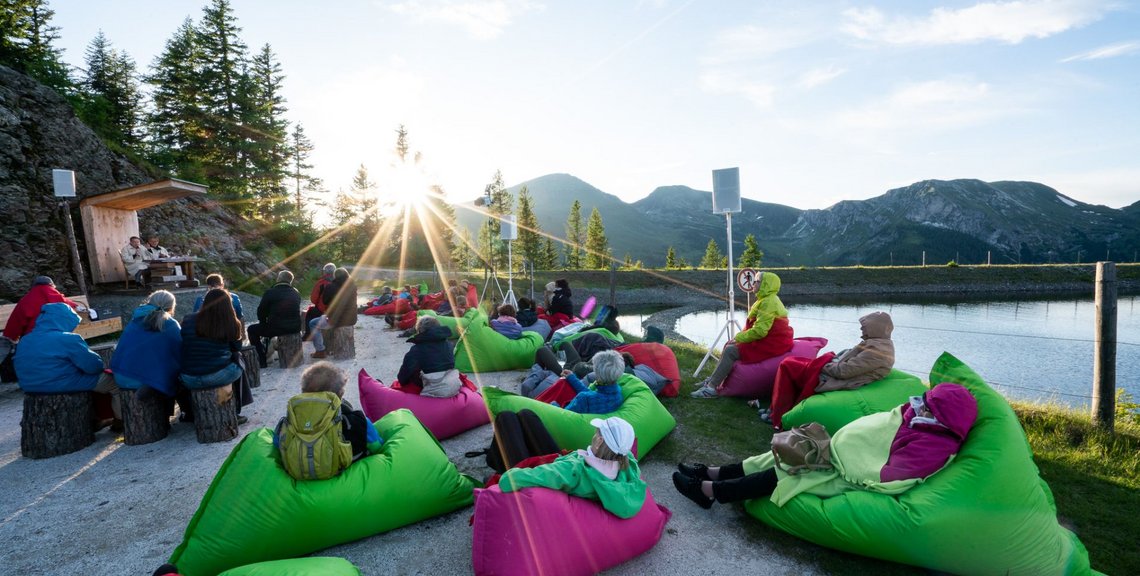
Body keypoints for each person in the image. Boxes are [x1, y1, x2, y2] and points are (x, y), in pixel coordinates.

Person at [672, 383, 977, 509]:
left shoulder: (934, 446)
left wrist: (845, 454)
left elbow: (892, 474)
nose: (920, 408)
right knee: (778, 452)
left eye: (928, 408)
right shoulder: (916, 416)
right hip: (837, 455)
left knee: (788, 473)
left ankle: (709, 493)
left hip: (848, 476)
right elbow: (888, 421)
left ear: (943, 420)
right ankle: (713, 472)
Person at [765, 311, 895, 428]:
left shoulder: (877, 350)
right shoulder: (876, 343)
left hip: (834, 378)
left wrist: (824, 364)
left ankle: (778, 415)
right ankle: (775, 409)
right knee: (792, 363)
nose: (861, 329)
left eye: (865, 327)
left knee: (788, 366)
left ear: (876, 328)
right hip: (832, 371)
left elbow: (843, 371)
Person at [499, 416, 647, 519]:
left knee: (506, 419)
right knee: (526, 416)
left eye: (596, 433)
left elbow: (506, 481)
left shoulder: (573, 469)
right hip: (567, 462)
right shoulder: (628, 465)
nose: (594, 435)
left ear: (599, 441)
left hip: (554, 469)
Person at [691, 271, 794, 398]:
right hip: (770, 339)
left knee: (730, 351)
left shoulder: (768, 302)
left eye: (756, 281)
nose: (753, 284)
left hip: (771, 343)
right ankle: (713, 380)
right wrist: (739, 338)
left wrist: (739, 337)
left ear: (765, 284)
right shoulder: (766, 300)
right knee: (730, 345)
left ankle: (711, 389)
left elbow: (760, 331)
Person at [274, 361, 382, 462]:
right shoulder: (357, 421)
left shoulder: (288, 422)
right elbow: (377, 446)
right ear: (340, 394)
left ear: (303, 392)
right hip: (348, 475)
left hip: (300, 472)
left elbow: (277, 446)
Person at [179, 289, 250, 424]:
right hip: (217, 376)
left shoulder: (188, 319)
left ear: (204, 302)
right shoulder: (231, 322)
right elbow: (236, 348)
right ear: (228, 305)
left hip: (188, 377)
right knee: (239, 359)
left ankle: (190, 413)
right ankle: (235, 411)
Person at [110, 290, 183, 415]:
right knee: (179, 374)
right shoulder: (170, 324)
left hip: (121, 375)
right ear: (171, 307)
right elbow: (181, 352)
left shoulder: (134, 321)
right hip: (144, 380)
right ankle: (176, 414)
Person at [12, 302, 105, 394]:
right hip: (61, 385)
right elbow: (94, 367)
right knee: (113, 382)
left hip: (29, 386)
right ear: (66, 320)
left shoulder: (25, 339)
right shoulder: (68, 338)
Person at [2, 275, 85, 342]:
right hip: (56, 334)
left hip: (32, 338)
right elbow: (66, 302)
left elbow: (16, 321)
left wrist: (11, 336)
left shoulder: (25, 300)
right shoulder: (54, 294)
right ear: (51, 285)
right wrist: (78, 307)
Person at [248, 270, 303, 368]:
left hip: (276, 328)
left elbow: (261, 311)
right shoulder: (296, 292)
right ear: (290, 281)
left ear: (278, 279)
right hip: (295, 328)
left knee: (251, 329)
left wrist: (263, 322)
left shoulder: (270, 292)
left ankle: (261, 360)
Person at [396, 315, 458, 396]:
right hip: (454, 385)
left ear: (420, 331)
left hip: (434, 390)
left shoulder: (417, 349)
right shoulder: (449, 345)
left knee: (412, 371)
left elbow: (402, 378)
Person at [552, 349, 625, 414]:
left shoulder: (584, 399)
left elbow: (563, 414)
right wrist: (572, 378)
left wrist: (553, 404)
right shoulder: (618, 394)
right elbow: (591, 394)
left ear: (597, 373)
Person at [309, 267, 358, 359]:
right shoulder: (353, 286)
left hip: (335, 320)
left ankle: (320, 350)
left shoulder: (331, 286)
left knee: (312, 323)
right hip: (352, 319)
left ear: (335, 276)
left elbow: (325, 301)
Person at [304, 263, 336, 339]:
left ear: (325, 272)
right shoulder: (338, 282)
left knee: (310, 312)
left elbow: (313, 299)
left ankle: (308, 335)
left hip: (323, 310)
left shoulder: (321, 283)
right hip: (335, 311)